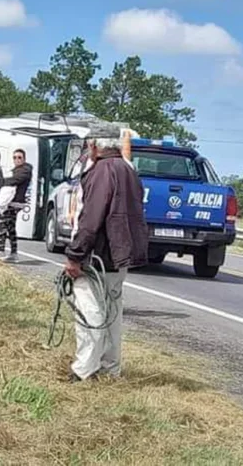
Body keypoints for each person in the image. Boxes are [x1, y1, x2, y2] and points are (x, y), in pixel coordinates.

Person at [64, 122, 148, 382]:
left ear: (94, 145)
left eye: (89, 144)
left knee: (90, 310)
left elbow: (91, 219)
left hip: (98, 254)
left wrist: (75, 255)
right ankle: (110, 367)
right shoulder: (128, 169)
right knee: (113, 311)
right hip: (119, 254)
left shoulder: (101, 171)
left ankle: (84, 368)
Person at [0, 148, 33, 261]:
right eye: (15, 157)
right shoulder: (17, 170)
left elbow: (14, 180)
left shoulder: (25, 170)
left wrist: (3, 181)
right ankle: (9, 251)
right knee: (7, 225)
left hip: (15, 202)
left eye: (19, 157)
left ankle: (6, 251)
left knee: (5, 223)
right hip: (12, 201)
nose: (17, 160)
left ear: (24, 159)